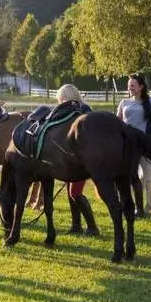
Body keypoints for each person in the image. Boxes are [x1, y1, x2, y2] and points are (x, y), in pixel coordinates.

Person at [116, 73, 151, 214]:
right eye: (129, 86)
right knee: (126, 176)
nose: (130, 88)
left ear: (141, 87)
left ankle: (149, 206)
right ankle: (126, 204)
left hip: (142, 144)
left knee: (146, 177)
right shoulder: (124, 103)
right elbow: (118, 121)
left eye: (133, 86)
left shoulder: (150, 101)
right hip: (126, 144)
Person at [55, 83, 99, 235]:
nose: (60, 103)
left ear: (66, 97)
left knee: (75, 193)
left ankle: (92, 228)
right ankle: (76, 226)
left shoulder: (82, 111)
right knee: (70, 192)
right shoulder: (78, 110)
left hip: (81, 160)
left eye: (61, 99)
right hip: (72, 159)